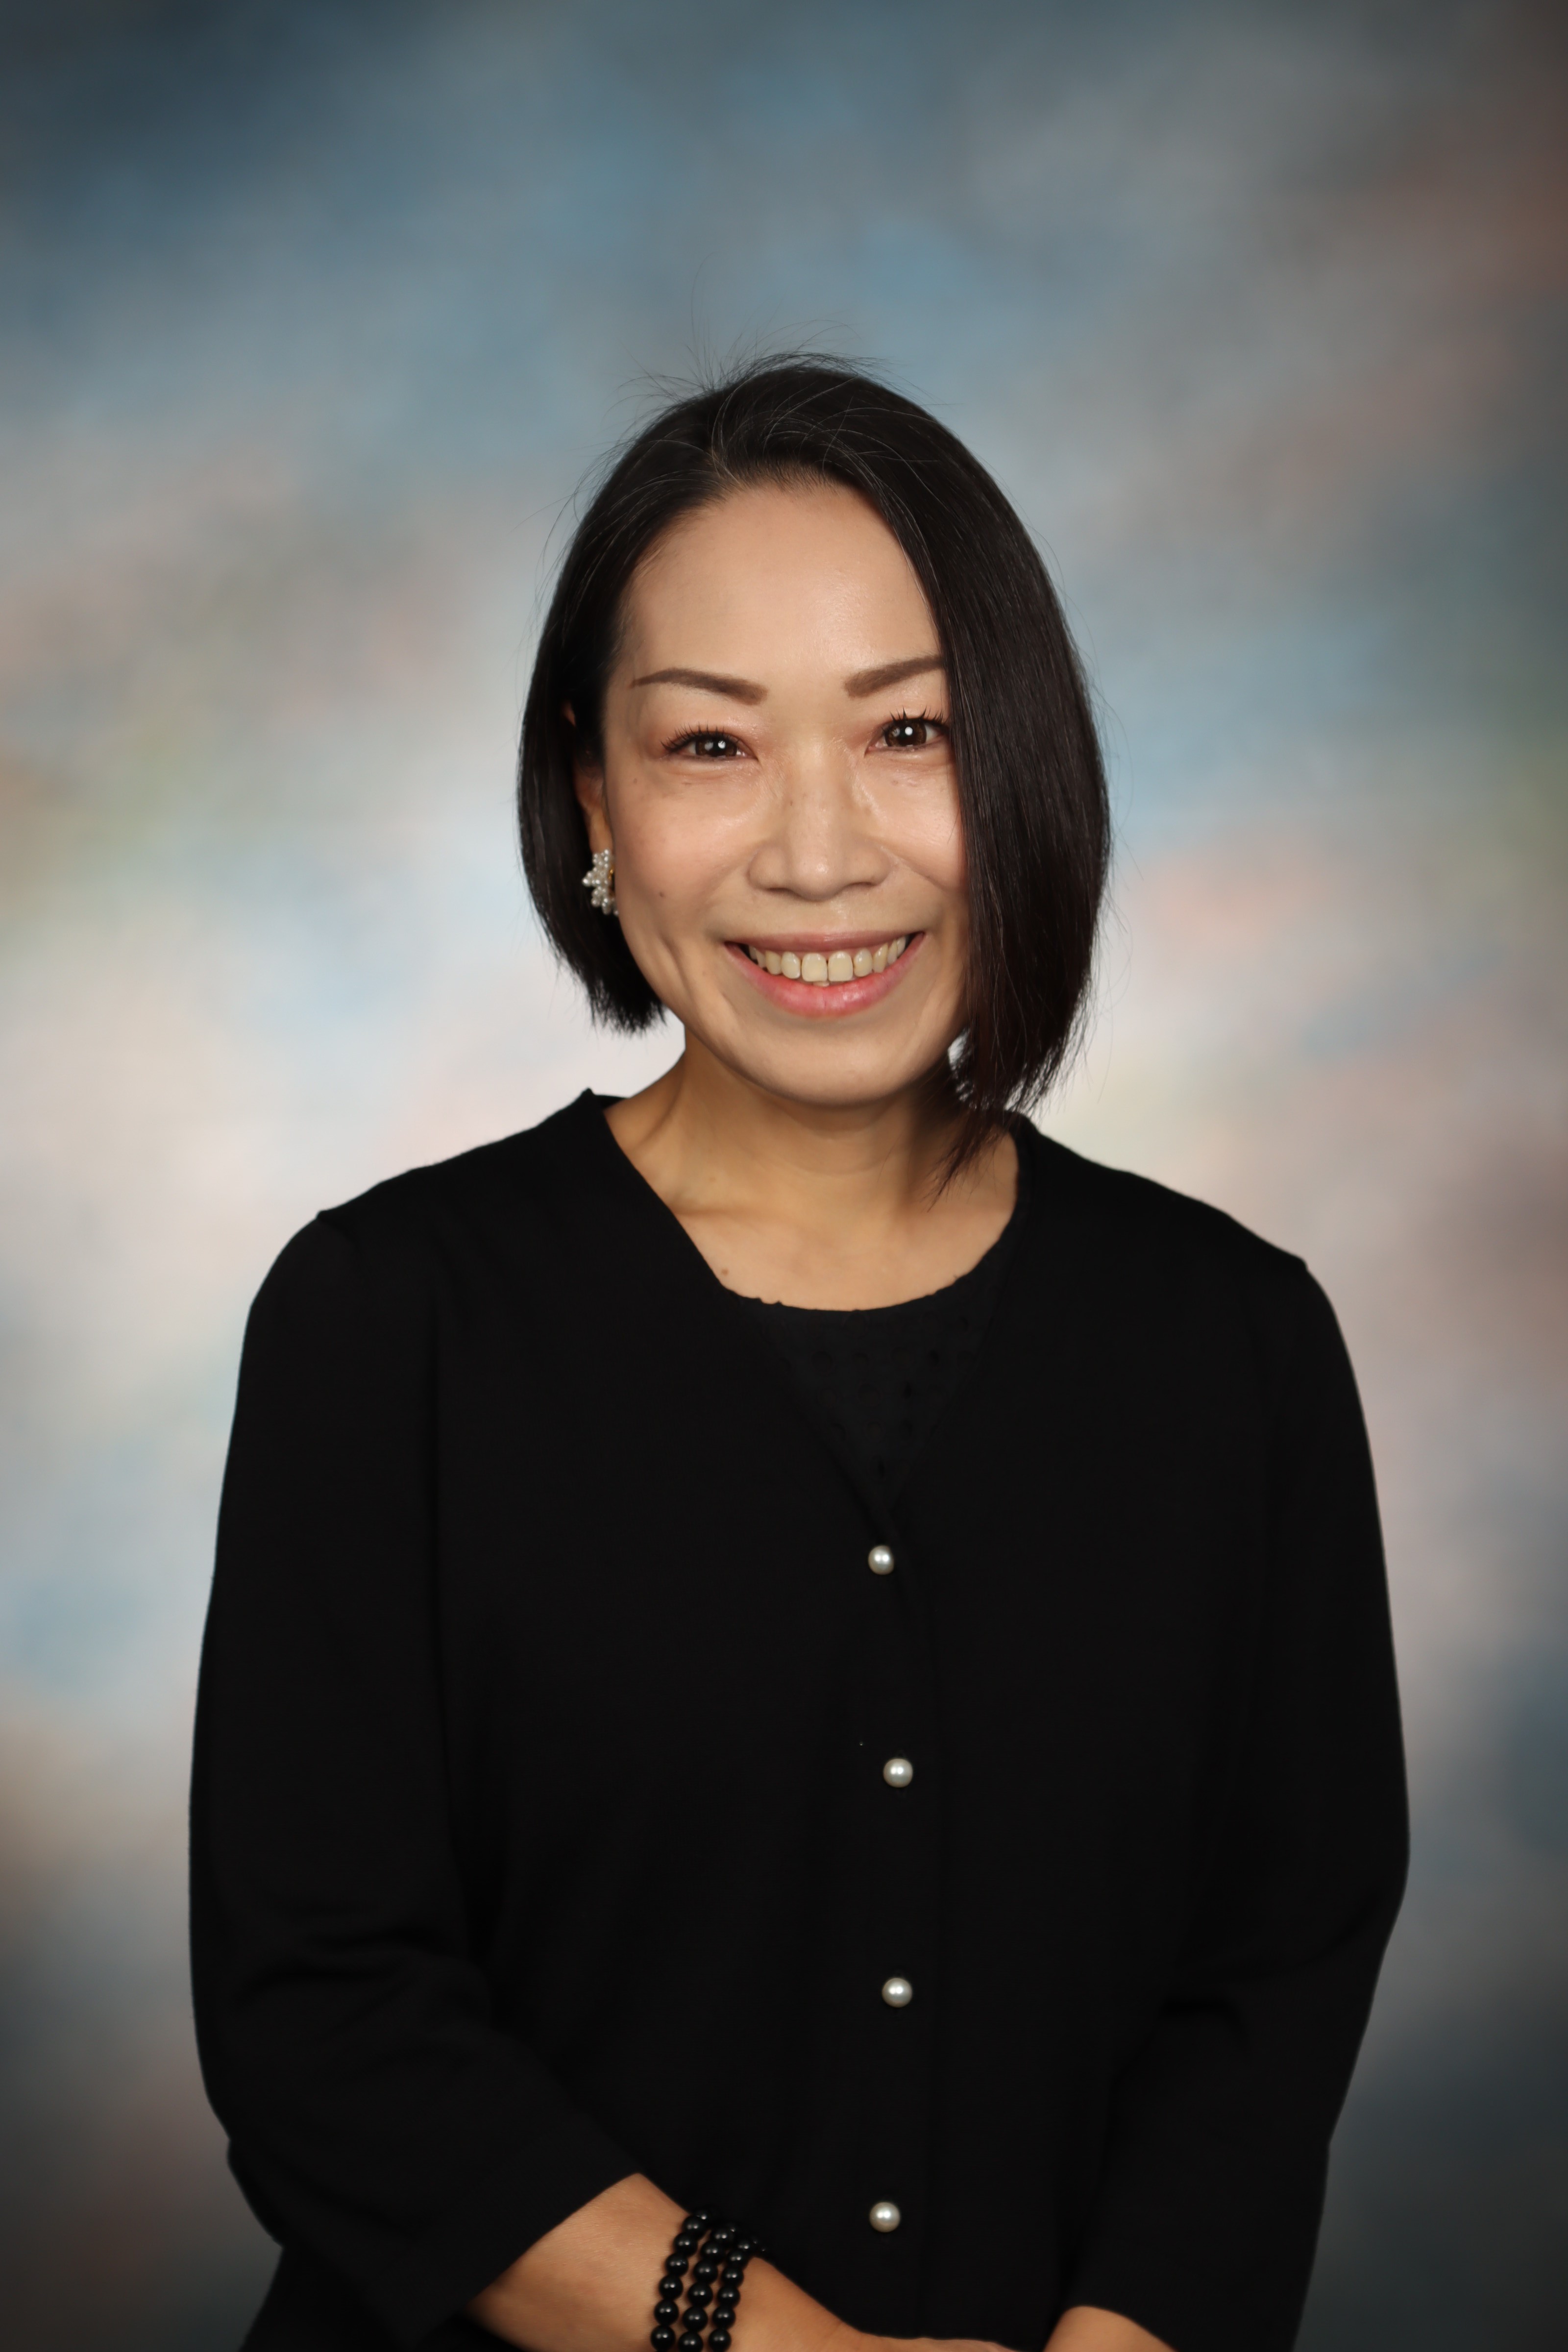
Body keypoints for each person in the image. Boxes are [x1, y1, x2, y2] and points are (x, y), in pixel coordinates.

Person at [190, 358, 1407, 2352]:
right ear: (594, 796)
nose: (820, 855)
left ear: (1023, 765)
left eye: (910, 731)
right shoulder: (386, 1322)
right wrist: (758, 2345)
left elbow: (1268, 1981)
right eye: (711, 747)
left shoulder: (1234, 1343)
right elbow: (323, 2015)